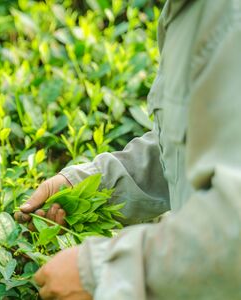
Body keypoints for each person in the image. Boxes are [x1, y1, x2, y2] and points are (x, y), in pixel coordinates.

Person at [14, 0, 241, 299]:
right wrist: (90, 188)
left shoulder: (228, 20)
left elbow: (232, 231)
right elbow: (193, 142)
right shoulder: (192, 13)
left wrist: (99, 272)